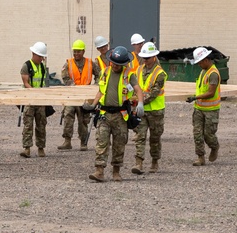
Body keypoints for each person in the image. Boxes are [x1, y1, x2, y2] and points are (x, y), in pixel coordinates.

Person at [88, 46, 143, 182]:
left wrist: (140, 103)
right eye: (113, 63)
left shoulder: (129, 74)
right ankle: (99, 171)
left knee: (119, 144)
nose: (115, 66)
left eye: (118, 64)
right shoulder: (104, 72)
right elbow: (100, 91)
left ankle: (116, 171)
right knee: (101, 142)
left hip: (121, 115)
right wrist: (93, 105)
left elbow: (138, 90)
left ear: (124, 64)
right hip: (104, 114)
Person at [132, 42, 167, 174]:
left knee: (155, 138)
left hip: (156, 111)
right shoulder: (139, 69)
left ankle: (154, 161)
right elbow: (134, 86)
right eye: (143, 58)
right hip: (142, 111)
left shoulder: (160, 73)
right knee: (140, 136)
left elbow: (153, 93)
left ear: (154, 57)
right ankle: (138, 163)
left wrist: (139, 101)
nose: (145, 60)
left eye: (147, 58)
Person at [186, 47, 221, 166]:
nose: (199, 64)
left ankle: (214, 146)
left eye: (200, 62)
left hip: (211, 110)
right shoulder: (203, 71)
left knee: (208, 134)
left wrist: (195, 97)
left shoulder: (213, 73)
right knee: (197, 133)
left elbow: (211, 92)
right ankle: (200, 157)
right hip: (199, 108)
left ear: (206, 60)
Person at [59, 39, 95, 151]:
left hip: (84, 97)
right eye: (74, 51)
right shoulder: (68, 63)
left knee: (83, 120)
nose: (76, 54)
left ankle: (83, 143)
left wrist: (95, 87)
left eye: (78, 51)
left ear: (83, 51)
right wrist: (73, 85)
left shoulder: (90, 63)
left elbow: (99, 75)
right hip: (71, 95)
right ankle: (67, 141)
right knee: (68, 117)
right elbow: (65, 77)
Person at [19, 41, 50, 157]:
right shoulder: (26, 66)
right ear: (34, 54)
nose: (41, 59)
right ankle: (27, 148)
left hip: (40, 100)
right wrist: (34, 93)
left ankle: (41, 148)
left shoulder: (42, 67)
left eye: (42, 57)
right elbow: (26, 83)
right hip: (29, 99)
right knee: (28, 124)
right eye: (40, 56)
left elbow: (44, 83)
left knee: (41, 124)